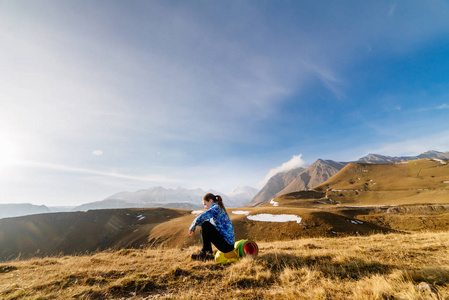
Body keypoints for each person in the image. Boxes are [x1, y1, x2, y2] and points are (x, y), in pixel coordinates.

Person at [189, 193, 237, 261]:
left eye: (205, 204)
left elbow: (201, 217)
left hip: (227, 246)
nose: (205, 207)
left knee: (205, 225)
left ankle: (205, 253)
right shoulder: (218, 208)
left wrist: (192, 227)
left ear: (211, 201)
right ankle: (207, 253)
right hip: (228, 245)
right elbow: (204, 222)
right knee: (203, 228)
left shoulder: (216, 208)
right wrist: (195, 226)